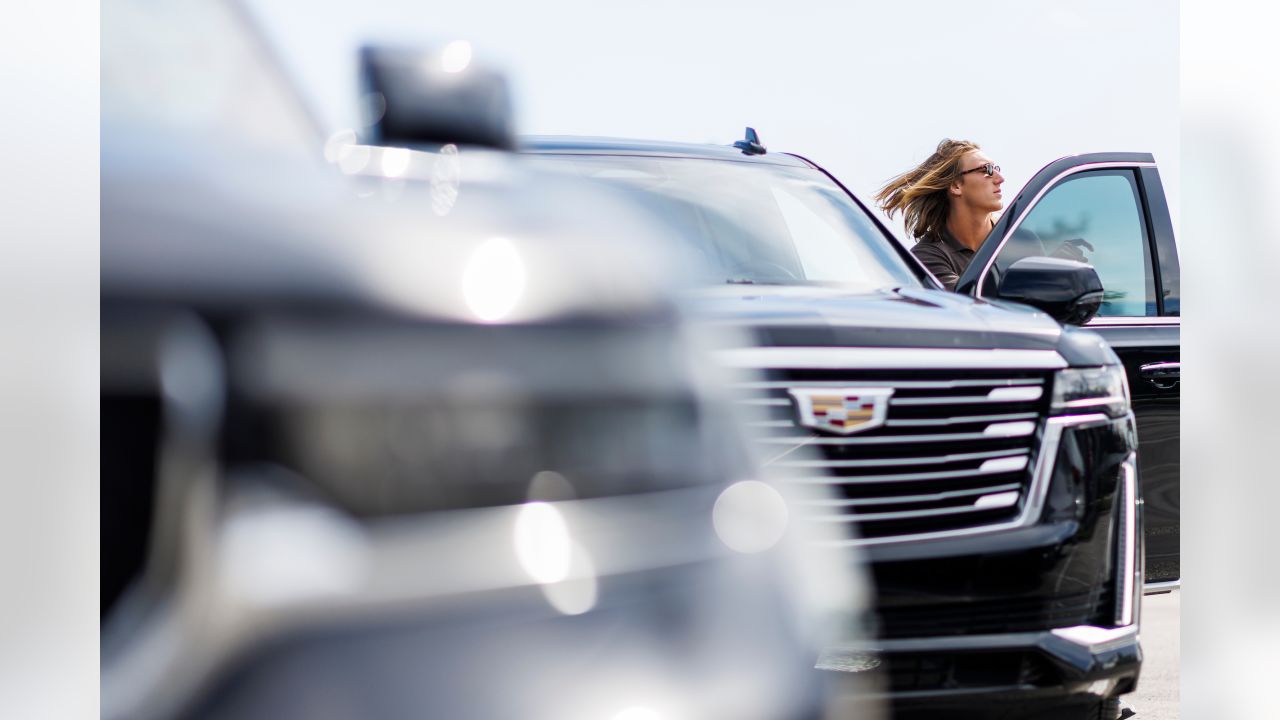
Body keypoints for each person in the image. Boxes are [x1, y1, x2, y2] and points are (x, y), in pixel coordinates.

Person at [874, 139, 1004, 291]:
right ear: (956, 185)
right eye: (986, 170)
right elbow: (971, 299)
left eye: (997, 168)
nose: (1000, 179)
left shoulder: (1019, 240)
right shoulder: (926, 257)